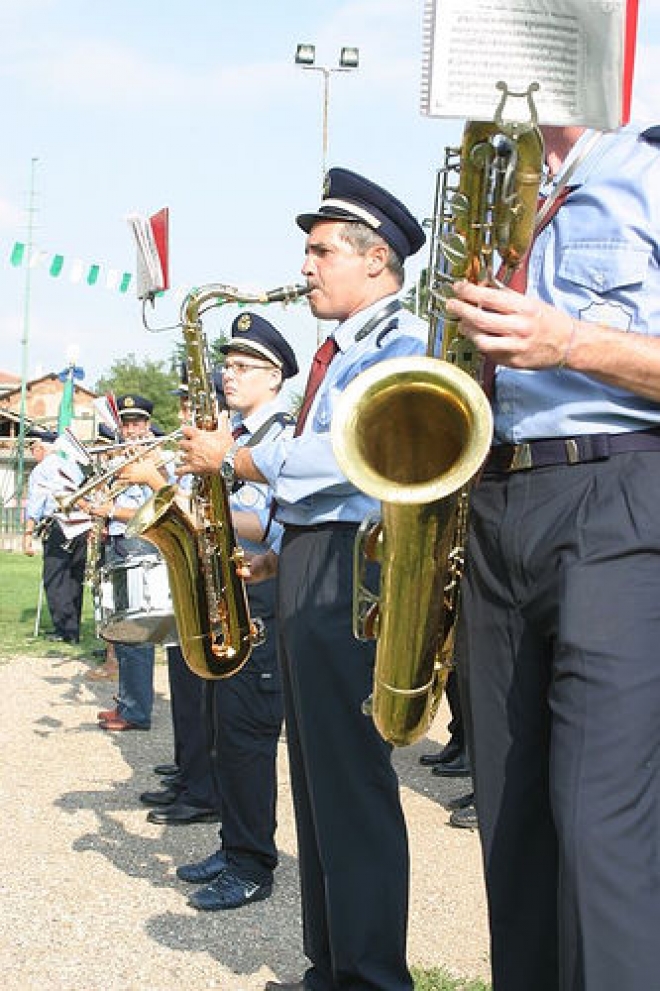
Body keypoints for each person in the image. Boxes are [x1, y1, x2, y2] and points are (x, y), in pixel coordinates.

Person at [178, 168, 426, 991]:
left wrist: (235, 456)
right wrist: (281, 553)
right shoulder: (346, 347)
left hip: (353, 577)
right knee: (318, 790)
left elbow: (353, 457)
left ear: (377, 258)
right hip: (318, 566)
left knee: (351, 788)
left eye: (322, 249)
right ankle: (336, 968)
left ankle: (372, 977)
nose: (308, 264)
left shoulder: (399, 345)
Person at [444, 124, 660, 990]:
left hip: (617, 485)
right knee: (514, 819)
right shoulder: (496, 191)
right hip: (494, 497)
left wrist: (570, 342)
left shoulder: (647, 166)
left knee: (598, 823)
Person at [171, 312, 298, 901]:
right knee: (223, 729)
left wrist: (191, 515)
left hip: (262, 593)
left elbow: (267, 523)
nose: (229, 375)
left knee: (247, 735)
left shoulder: (279, 438)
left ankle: (252, 868)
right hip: (231, 591)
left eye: (244, 367)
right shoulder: (242, 436)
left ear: (275, 378)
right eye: (226, 365)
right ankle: (233, 845)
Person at [88, 395, 161, 732]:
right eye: (126, 424)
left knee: (136, 632)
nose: (131, 431)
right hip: (119, 542)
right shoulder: (121, 461)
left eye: (137, 424)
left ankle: (137, 711)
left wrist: (112, 511)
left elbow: (156, 510)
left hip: (140, 544)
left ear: (147, 425)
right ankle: (127, 702)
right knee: (121, 630)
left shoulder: (156, 462)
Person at [23, 431, 89, 643]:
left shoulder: (41, 471)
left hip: (59, 524)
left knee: (55, 578)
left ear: (41, 448)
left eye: (33, 449)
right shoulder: (71, 466)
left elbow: (35, 504)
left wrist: (27, 535)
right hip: (80, 524)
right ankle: (73, 627)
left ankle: (64, 630)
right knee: (74, 577)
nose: (33, 454)